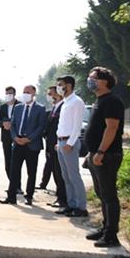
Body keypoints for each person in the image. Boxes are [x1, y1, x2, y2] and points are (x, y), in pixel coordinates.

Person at [83, 66, 125, 247]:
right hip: (96, 155)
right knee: (101, 194)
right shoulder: (100, 101)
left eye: (93, 77)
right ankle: (105, 227)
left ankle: (111, 235)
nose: (90, 80)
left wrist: (100, 152)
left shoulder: (112, 101)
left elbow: (112, 128)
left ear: (104, 81)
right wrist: (91, 153)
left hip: (107, 155)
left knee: (109, 195)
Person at [0, 85, 45, 205]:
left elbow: (41, 127)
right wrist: (15, 137)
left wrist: (28, 139)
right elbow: (13, 124)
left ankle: (29, 196)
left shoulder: (40, 108)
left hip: (32, 144)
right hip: (18, 143)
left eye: (28, 92)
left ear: (34, 94)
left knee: (31, 171)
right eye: (24, 92)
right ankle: (11, 196)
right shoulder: (18, 107)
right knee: (14, 170)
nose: (25, 94)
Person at [55, 75, 89, 217]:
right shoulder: (65, 102)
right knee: (66, 176)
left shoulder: (77, 102)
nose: (58, 87)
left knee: (74, 175)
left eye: (60, 84)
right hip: (61, 142)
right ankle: (71, 204)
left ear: (68, 85)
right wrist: (59, 142)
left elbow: (77, 126)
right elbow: (63, 124)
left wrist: (70, 143)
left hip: (70, 143)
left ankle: (81, 207)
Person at [40, 85, 67, 208]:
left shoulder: (63, 107)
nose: (49, 96)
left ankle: (63, 199)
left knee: (59, 173)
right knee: (56, 172)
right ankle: (60, 197)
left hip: (57, 144)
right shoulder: (54, 108)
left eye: (51, 94)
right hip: (50, 145)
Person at [0, 86, 20, 181]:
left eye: (10, 93)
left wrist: (12, 125)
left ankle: (18, 185)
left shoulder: (20, 105)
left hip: (17, 137)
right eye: (7, 93)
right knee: (8, 161)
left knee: (16, 162)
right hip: (6, 137)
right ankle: (12, 183)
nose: (8, 95)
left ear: (14, 94)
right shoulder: (3, 107)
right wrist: (3, 124)